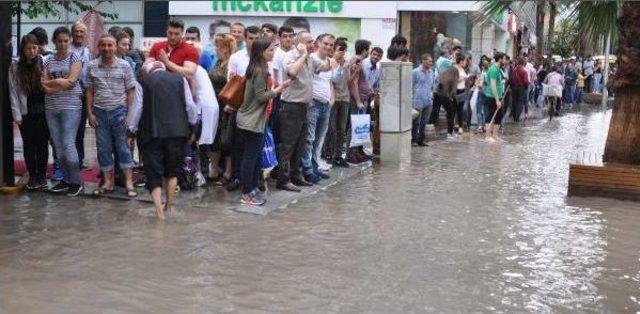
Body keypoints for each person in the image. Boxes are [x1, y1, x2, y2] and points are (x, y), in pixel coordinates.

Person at [131, 61, 198, 219]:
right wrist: (193, 126)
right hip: (177, 132)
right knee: (172, 170)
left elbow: (138, 108)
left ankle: (159, 213)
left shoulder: (143, 82)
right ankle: (169, 206)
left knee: (153, 172)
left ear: (148, 72)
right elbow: (190, 106)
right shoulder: (179, 79)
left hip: (151, 133)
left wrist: (130, 131)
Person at [236, 37, 290, 205]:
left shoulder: (260, 67)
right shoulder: (259, 70)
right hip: (251, 121)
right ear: (261, 52)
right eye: (270, 50)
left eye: (273, 49)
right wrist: (278, 90)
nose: (273, 53)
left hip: (254, 119)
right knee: (250, 157)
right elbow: (260, 97)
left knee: (255, 157)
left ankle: (252, 189)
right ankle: (246, 194)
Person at [276, 31, 329, 192]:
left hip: (305, 106)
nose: (313, 44)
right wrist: (302, 54)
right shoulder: (291, 56)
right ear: (299, 44)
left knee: (300, 144)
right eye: (309, 42)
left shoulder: (309, 58)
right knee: (288, 145)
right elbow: (292, 72)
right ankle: (283, 179)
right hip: (291, 106)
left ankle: (295, 175)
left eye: (313, 41)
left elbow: (323, 68)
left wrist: (335, 57)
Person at [86, 35, 137, 198]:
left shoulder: (125, 65)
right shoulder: (92, 66)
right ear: (98, 47)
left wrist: (129, 116)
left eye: (110, 45)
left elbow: (131, 92)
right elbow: (89, 91)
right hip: (99, 113)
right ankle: (108, 182)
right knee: (103, 149)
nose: (106, 48)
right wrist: (89, 113)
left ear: (115, 47)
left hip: (119, 112)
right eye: (103, 45)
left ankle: (129, 183)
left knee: (123, 149)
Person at [41, 26, 84, 196]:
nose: (63, 44)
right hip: (51, 106)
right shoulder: (48, 60)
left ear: (70, 41)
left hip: (71, 106)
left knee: (68, 143)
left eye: (66, 41)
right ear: (54, 41)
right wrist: (60, 83)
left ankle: (76, 181)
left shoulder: (75, 56)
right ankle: (65, 180)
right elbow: (43, 84)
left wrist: (54, 82)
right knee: (58, 147)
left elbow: (72, 82)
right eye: (60, 41)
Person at [9, 34, 50, 190]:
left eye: (34, 47)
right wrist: (16, 115)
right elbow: (13, 92)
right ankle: (33, 175)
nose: (32, 51)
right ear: (23, 49)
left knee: (42, 144)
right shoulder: (15, 66)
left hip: (43, 110)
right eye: (28, 48)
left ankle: (42, 175)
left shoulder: (44, 62)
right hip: (26, 111)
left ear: (38, 48)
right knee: (29, 145)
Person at [301, 33, 335, 184]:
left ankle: (315, 166)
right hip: (313, 103)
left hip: (326, 104)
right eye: (325, 43)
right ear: (318, 43)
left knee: (319, 139)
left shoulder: (330, 61)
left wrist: (331, 99)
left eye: (331, 45)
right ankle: (307, 169)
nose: (328, 47)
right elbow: (314, 75)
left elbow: (329, 82)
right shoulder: (312, 59)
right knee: (309, 139)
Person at [208, 34, 236, 183]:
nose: (216, 49)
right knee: (215, 136)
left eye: (218, 46)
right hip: (214, 104)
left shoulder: (231, 63)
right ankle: (214, 168)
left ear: (226, 48)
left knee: (226, 138)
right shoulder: (218, 62)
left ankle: (228, 171)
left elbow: (233, 84)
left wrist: (230, 103)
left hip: (226, 104)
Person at [346, 39, 374, 164]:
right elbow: (353, 83)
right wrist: (358, 101)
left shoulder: (360, 61)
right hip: (358, 99)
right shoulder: (356, 61)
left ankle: (356, 152)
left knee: (360, 128)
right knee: (354, 127)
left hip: (364, 97)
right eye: (369, 49)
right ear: (364, 50)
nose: (369, 51)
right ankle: (350, 154)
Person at [70, 21, 91, 171]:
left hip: (83, 95)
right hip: (69, 95)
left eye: (81, 32)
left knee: (80, 131)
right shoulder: (67, 49)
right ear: (72, 32)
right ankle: (70, 160)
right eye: (76, 31)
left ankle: (79, 160)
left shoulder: (87, 51)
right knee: (69, 129)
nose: (79, 34)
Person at [328, 38, 351, 167]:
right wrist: (341, 67)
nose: (342, 52)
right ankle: (329, 154)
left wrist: (347, 68)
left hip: (345, 98)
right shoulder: (330, 62)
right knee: (331, 128)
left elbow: (347, 80)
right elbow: (334, 81)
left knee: (342, 129)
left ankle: (338, 156)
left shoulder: (345, 62)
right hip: (334, 98)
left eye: (344, 50)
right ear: (334, 50)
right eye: (339, 50)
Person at [411, 54, 436, 147]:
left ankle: (421, 140)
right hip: (417, 100)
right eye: (429, 61)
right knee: (416, 122)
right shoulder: (415, 72)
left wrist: (431, 95)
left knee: (424, 122)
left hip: (428, 101)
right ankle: (413, 140)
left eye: (431, 61)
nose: (431, 63)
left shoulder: (431, 72)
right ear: (423, 61)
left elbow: (432, 85)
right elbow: (411, 86)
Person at [484, 52, 508, 143]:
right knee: (490, 115)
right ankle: (487, 136)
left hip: (498, 96)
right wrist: (497, 100)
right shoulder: (493, 69)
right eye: (504, 59)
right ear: (500, 59)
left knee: (499, 116)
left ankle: (495, 135)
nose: (505, 61)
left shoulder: (497, 69)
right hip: (492, 96)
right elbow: (492, 84)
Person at [453, 54, 469, 134]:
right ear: (461, 61)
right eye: (465, 61)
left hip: (462, 90)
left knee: (461, 109)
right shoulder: (455, 68)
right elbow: (454, 80)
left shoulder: (462, 69)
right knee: (454, 109)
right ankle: (453, 126)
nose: (466, 62)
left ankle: (460, 126)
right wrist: (464, 78)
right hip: (456, 91)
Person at [510, 57, 530, 122]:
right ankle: (517, 117)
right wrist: (526, 87)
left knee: (514, 101)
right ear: (523, 63)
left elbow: (511, 79)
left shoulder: (514, 70)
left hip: (514, 88)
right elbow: (526, 82)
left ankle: (514, 116)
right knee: (520, 102)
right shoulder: (524, 71)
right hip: (521, 88)